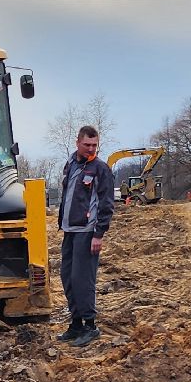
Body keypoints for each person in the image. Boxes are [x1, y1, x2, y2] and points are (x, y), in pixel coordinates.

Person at [56, 125, 116, 347]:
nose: (91, 149)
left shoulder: (100, 169)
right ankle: (76, 324)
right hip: (70, 231)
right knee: (68, 278)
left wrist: (98, 233)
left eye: (94, 145)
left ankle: (90, 326)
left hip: (87, 232)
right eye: (87, 144)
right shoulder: (71, 164)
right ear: (77, 143)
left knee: (83, 279)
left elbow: (107, 203)